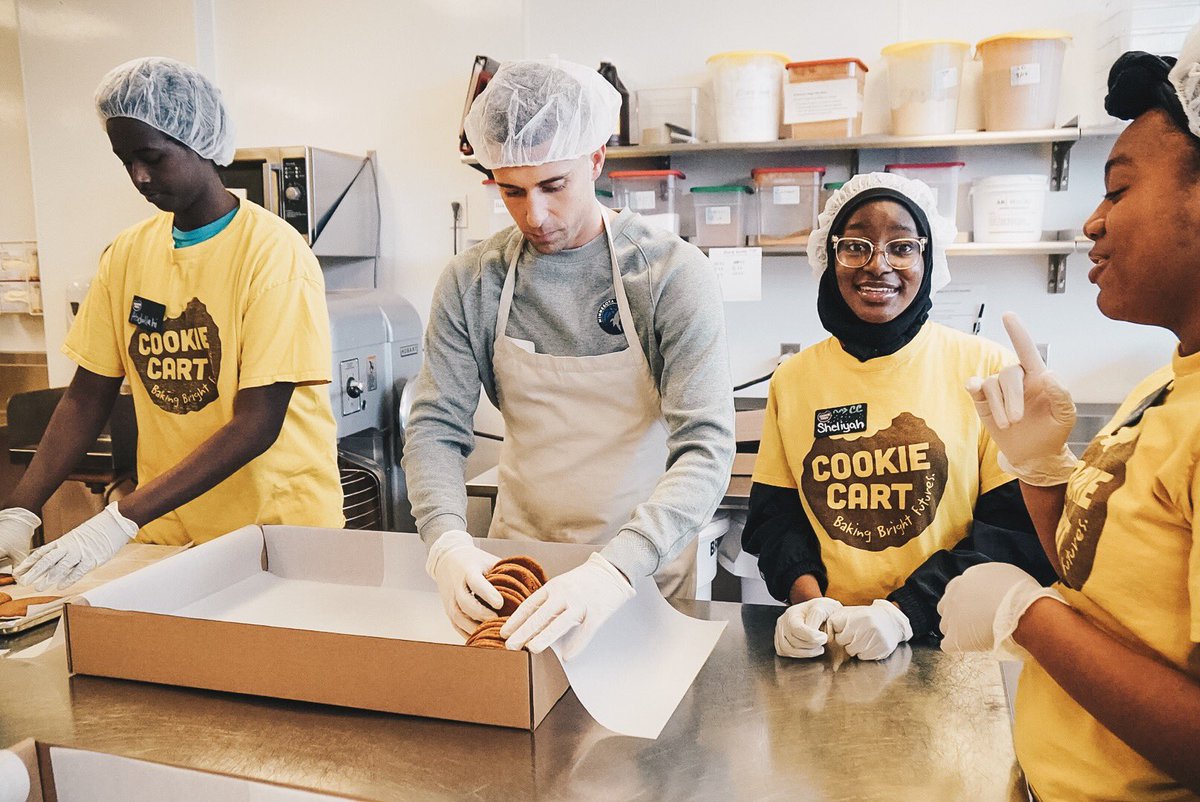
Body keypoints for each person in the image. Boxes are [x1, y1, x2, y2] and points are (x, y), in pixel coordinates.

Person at [402, 58, 734, 659]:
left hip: (641, 570)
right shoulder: (473, 280)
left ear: (596, 160)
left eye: (554, 185)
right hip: (520, 568)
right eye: (511, 191)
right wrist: (447, 543)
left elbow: (706, 446)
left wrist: (613, 571)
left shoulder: (669, 274)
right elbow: (433, 426)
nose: (535, 215)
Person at [939, 36, 1200, 800]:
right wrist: (1043, 473)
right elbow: (1098, 586)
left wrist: (1029, 619)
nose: (1091, 223)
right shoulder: (1165, 387)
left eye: (1118, 192)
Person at [0, 57, 343, 590]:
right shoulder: (128, 255)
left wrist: (118, 519)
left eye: (152, 157)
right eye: (125, 160)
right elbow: (87, 396)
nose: (139, 176)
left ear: (198, 141)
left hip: (275, 535)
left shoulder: (274, 255)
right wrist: (20, 512)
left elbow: (257, 422)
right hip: (168, 531)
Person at [742, 172, 1055, 661]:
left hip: (955, 643)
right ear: (829, 257)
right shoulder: (795, 379)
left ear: (928, 259)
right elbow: (774, 519)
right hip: (832, 641)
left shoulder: (984, 369)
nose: (878, 266)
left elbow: (1016, 533)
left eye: (902, 247)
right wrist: (809, 603)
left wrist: (904, 612)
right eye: (856, 246)